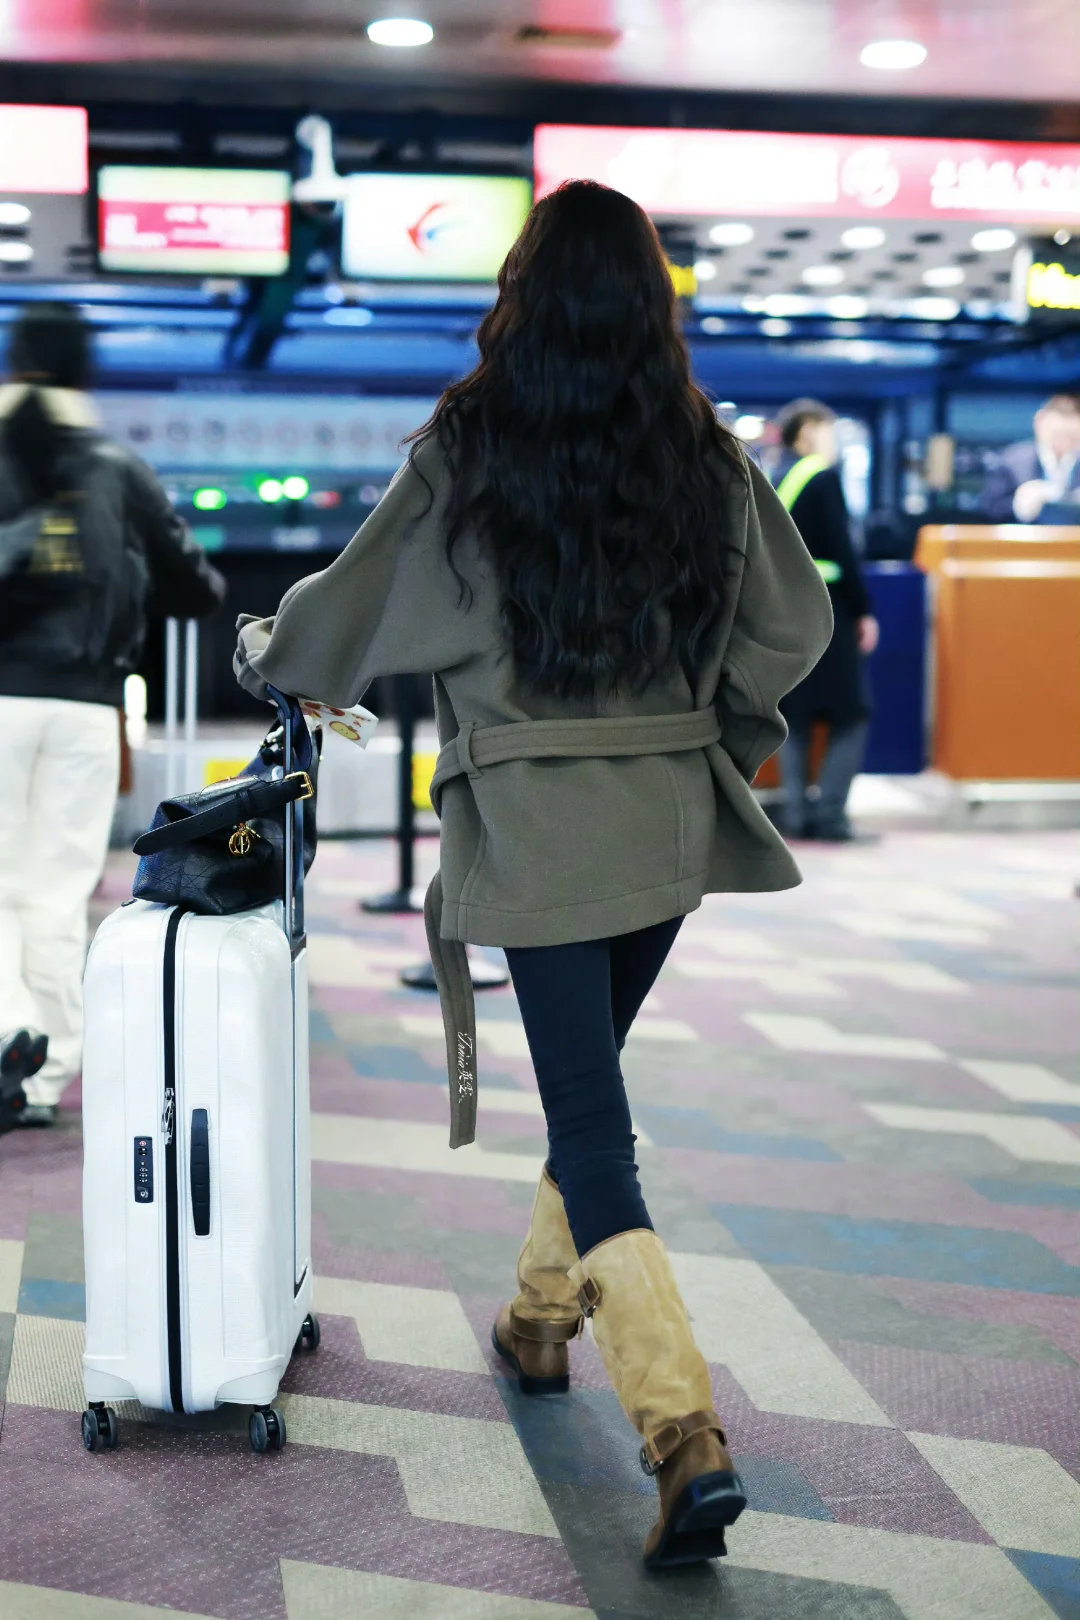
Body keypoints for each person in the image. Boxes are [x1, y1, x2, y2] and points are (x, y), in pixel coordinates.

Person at [234, 182, 831, 1570]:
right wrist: (720, 735)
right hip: (669, 823)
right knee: (590, 1091)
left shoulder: (471, 450)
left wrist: (270, 651)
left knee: (591, 1127)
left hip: (536, 827)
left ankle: (684, 1435)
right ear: (652, 307)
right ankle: (540, 1318)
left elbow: (350, 608)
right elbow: (791, 622)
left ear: (523, 297)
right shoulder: (705, 452)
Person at [0, 303, 225, 1130]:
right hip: (87, 704)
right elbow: (196, 586)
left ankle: (8, 1028)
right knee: (58, 889)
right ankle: (43, 1076)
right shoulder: (117, 468)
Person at [770, 399, 879, 842]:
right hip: (829, 610)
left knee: (794, 714)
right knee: (853, 713)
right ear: (808, 431)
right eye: (830, 430)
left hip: (784, 611)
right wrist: (865, 609)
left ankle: (797, 814)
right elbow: (842, 550)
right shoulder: (821, 476)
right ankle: (832, 815)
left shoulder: (776, 478)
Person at [980, 393, 1080, 523]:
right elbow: (988, 510)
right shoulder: (1011, 462)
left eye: (1072, 437)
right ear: (1040, 424)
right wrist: (1017, 505)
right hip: (1024, 534)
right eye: (1058, 434)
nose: (1064, 443)